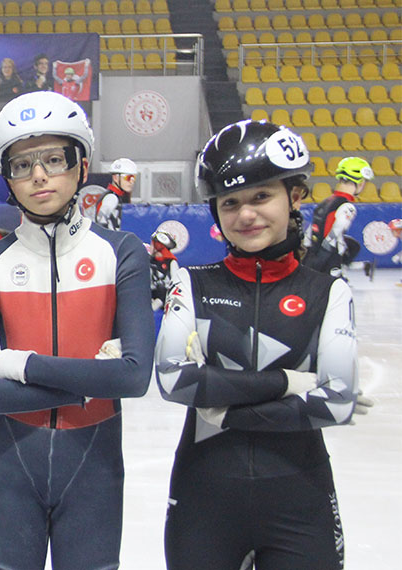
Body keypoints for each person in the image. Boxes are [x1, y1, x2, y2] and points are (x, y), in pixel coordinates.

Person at [155, 119, 365, 570]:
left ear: (295, 196)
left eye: (261, 196)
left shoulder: (328, 292)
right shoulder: (189, 284)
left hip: (300, 500)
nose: (245, 214)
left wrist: (224, 406)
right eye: (230, 202)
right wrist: (290, 382)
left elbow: (338, 402)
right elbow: (173, 381)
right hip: (203, 500)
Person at [0, 91, 154, 570]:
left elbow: (133, 379)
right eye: (21, 165)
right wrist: (88, 381)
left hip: (94, 465)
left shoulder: (123, 253)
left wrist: (23, 365)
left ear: (82, 165)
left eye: (53, 158)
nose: (39, 175)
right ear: (8, 179)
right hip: (10, 467)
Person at [302, 156, 374, 278]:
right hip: (327, 262)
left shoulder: (325, 202)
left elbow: (310, 233)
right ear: (360, 183)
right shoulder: (347, 207)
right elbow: (335, 233)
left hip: (311, 256)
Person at [79, 157, 137, 231]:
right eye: (128, 178)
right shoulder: (111, 198)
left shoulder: (116, 196)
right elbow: (101, 223)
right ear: (116, 178)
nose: (131, 182)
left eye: (133, 178)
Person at [149, 230, 179, 310]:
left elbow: (176, 283)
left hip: (165, 297)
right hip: (150, 294)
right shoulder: (148, 261)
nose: (150, 246)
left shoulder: (171, 263)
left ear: (158, 246)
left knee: (162, 291)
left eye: (152, 244)